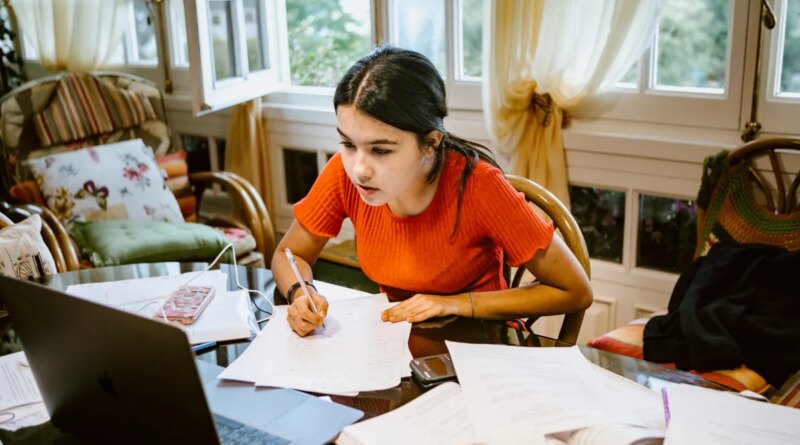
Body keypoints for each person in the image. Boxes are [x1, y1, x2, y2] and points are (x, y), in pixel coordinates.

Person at [272, 46, 592, 337]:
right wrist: (301, 293)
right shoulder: (344, 175)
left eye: (381, 150)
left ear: (430, 143)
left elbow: (575, 291)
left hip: (482, 342)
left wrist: (454, 303)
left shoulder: (479, 186)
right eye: (348, 144)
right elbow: (290, 254)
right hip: (398, 341)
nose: (359, 169)